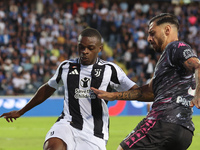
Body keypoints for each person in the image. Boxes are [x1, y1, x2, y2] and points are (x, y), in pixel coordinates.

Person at [0, 28, 138, 150]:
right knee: (52, 146)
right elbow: (48, 89)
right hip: (67, 124)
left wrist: (114, 96)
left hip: (94, 133)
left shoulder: (110, 70)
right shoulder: (66, 66)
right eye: (81, 47)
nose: (85, 52)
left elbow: (137, 91)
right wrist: (21, 111)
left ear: (100, 49)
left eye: (90, 48)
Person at [91, 13, 200, 150]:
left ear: (167, 30)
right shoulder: (168, 60)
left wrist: (198, 94)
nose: (149, 38)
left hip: (161, 122)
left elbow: (198, 66)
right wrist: (112, 96)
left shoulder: (176, 47)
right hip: (184, 131)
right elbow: (148, 93)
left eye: (152, 33)